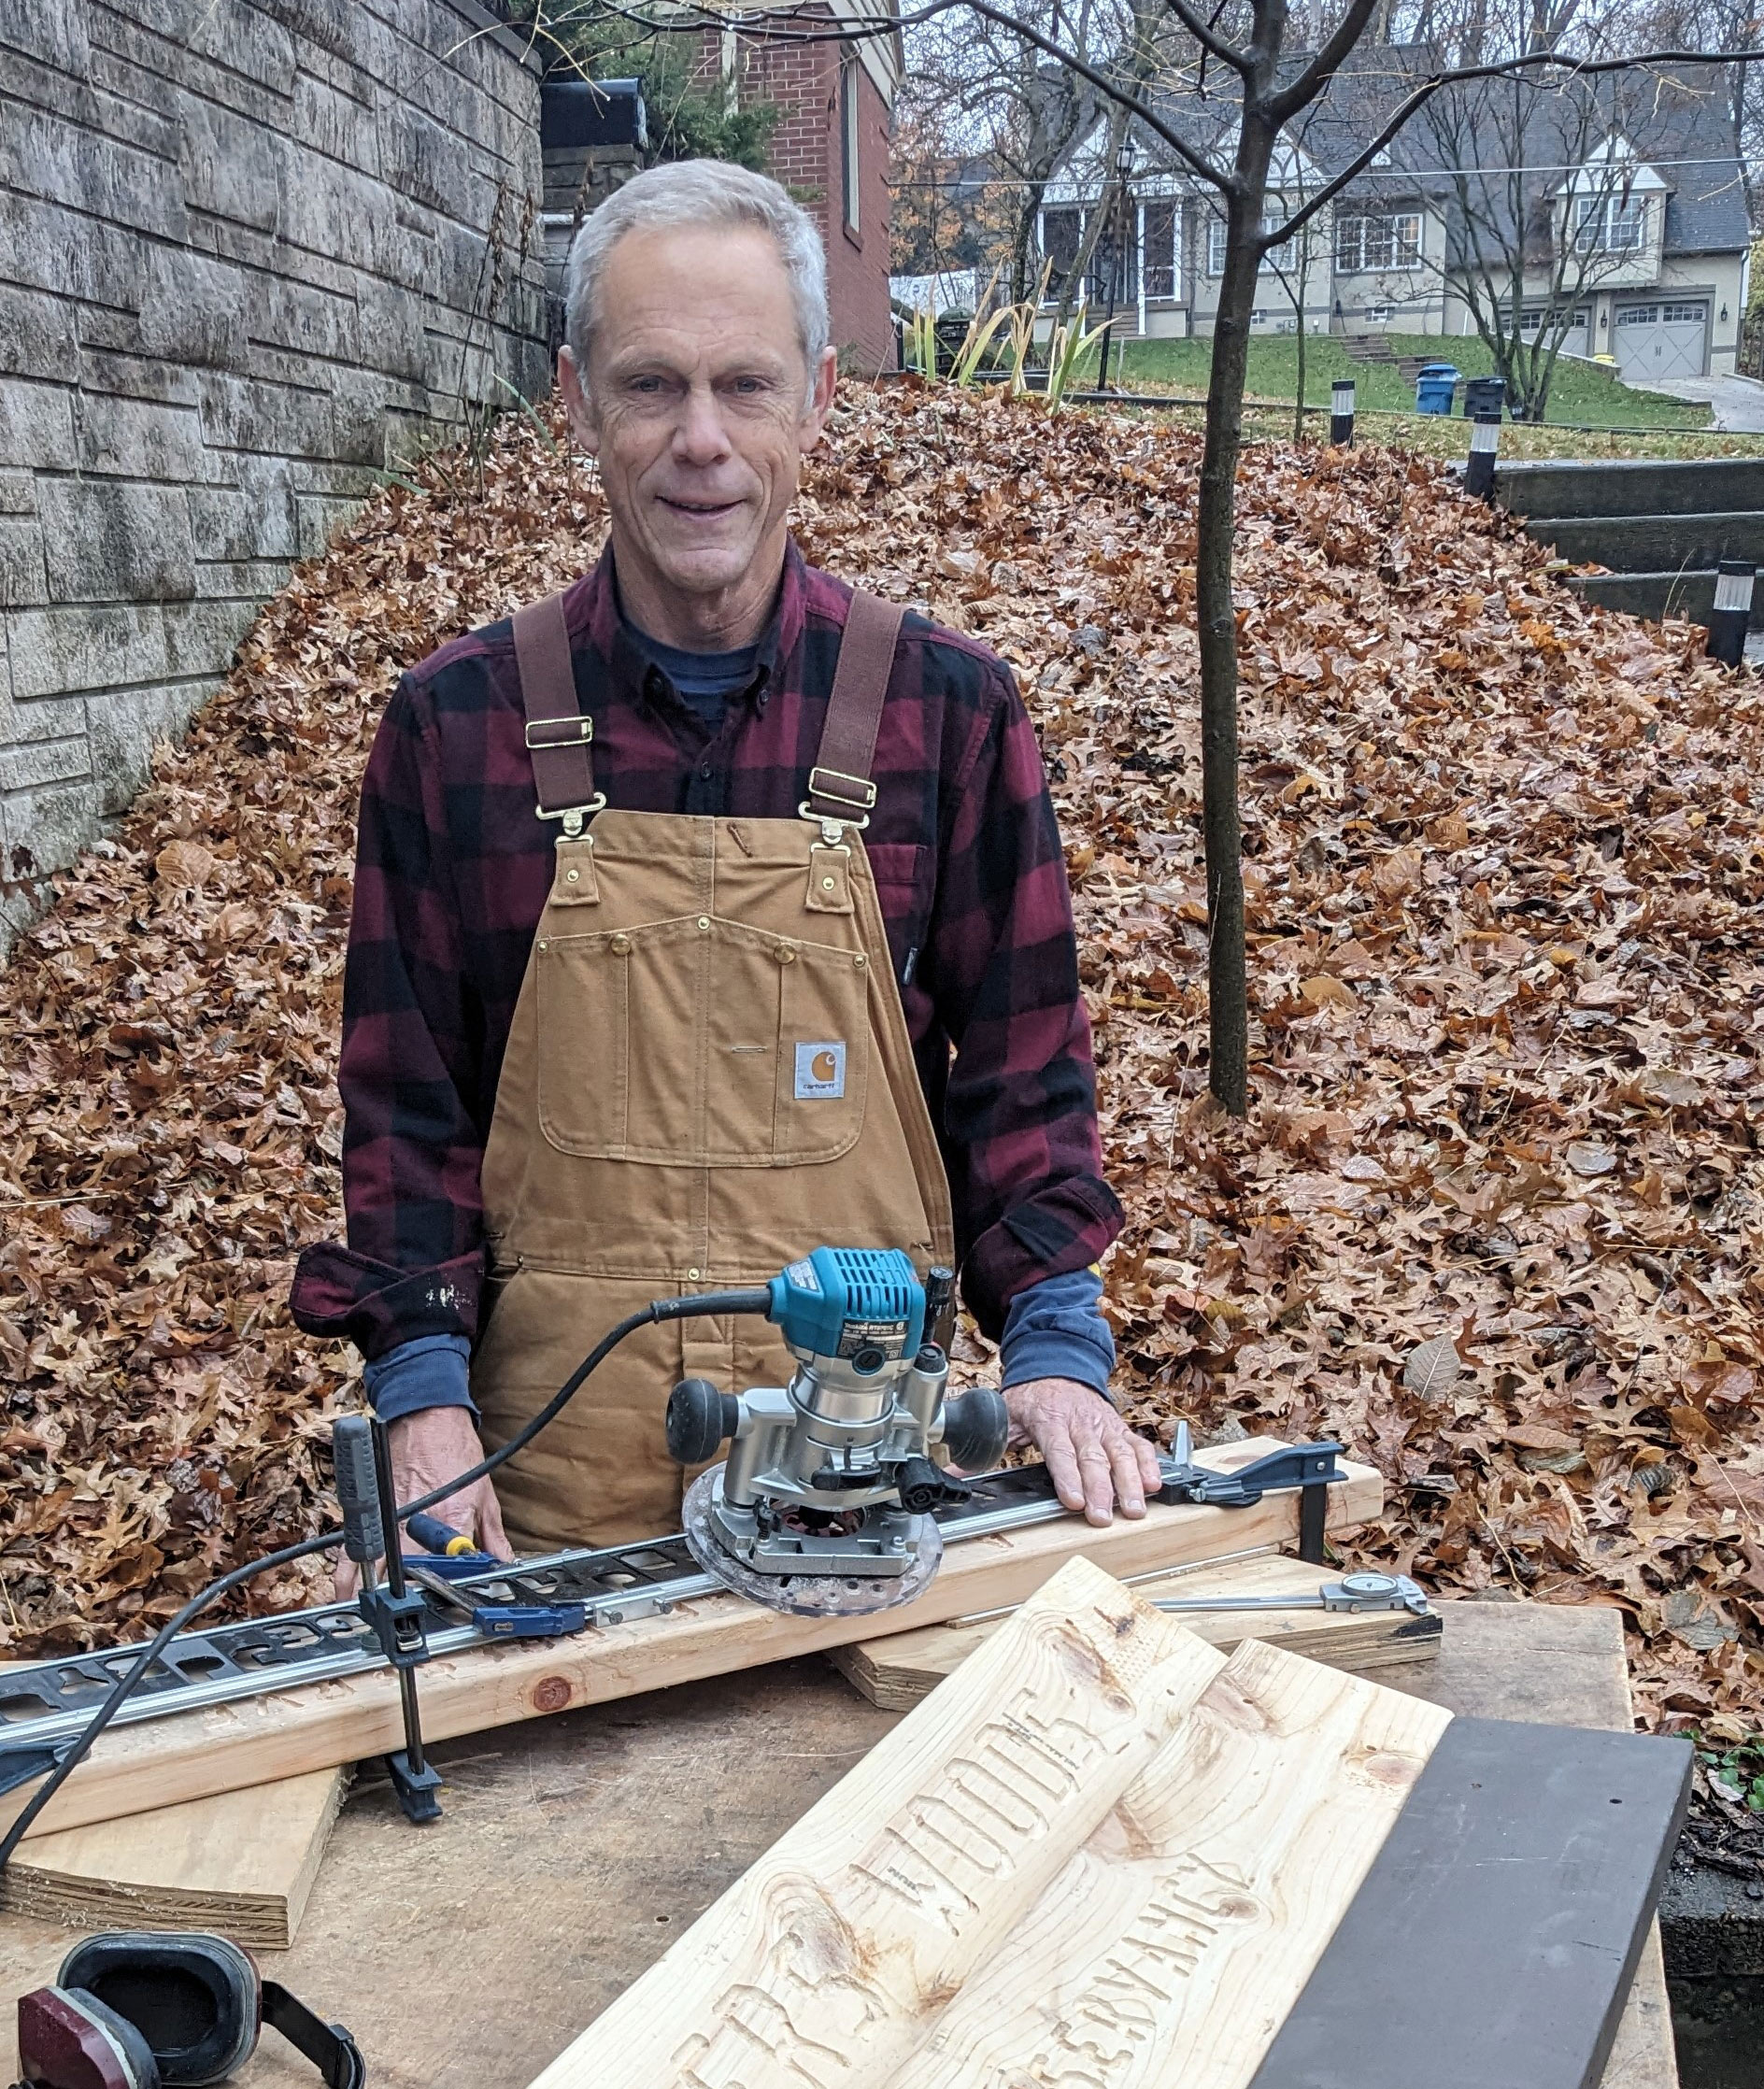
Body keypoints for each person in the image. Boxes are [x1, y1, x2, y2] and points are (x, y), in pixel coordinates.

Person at [291, 160, 1160, 1584]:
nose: (702, 440)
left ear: (819, 396)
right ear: (574, 399)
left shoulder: (944, 714)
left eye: (745, 386)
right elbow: (407, 1114)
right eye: (651, 387)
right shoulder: (456, 728)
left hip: (869, 1502)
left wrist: (1058, 1349)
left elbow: (1028, 1085)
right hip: (539, 1509)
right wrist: (421, 1399)